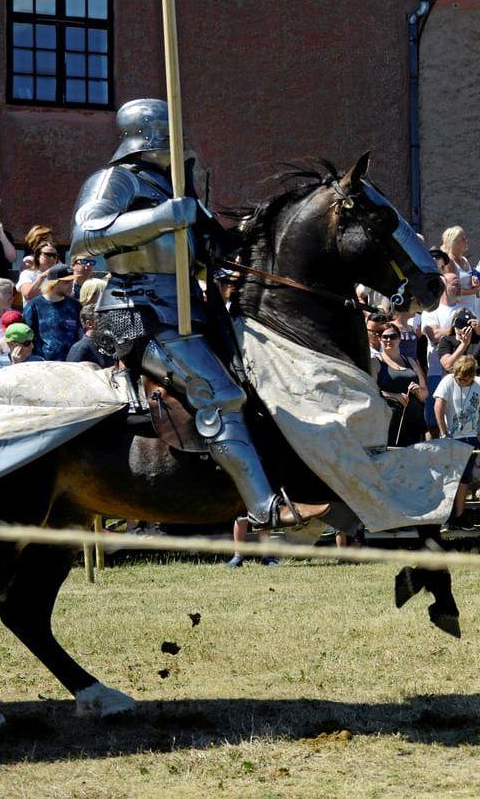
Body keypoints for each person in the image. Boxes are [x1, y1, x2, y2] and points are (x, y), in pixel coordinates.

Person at [72, 99, 327, 529]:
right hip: (134, 313)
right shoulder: (115, 180)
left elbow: (215, 249)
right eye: (174, 135)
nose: (182, 144)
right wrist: (161, 218)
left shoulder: (175, 188)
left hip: (187, 312)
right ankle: (263, 509)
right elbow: (84, 236)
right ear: (151, 136)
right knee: (220, 392)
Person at [433, 353, 480, 527]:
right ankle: (444, 516)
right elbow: (438, 406)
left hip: (471, 437)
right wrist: (443, 432)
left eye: (464, 379)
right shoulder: (448, 381)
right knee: (449, 478)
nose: (460, 381)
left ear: (473, 375)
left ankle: (458, 515)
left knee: (465, 478)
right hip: (452, 437)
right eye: (458, 378)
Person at [373, 322, 428, 446]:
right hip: (389, 423)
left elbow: (425, 393)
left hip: (414, 421)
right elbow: (372, 392)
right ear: (380, 339)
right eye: (384, 337)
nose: (388, 340)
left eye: (392, 336)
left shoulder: (411, 362)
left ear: (399, 339)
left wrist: (419, 391)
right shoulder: (376, 362)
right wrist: (394, 396)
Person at [20, 264, 82, 362]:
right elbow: (26, 337)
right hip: (44, 365)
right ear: (53, 283)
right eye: (66, 282)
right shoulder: (35, 305)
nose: (71, 285)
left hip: (71, 364)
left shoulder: (75, 306)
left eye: (72, 281)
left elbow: (80, 334)